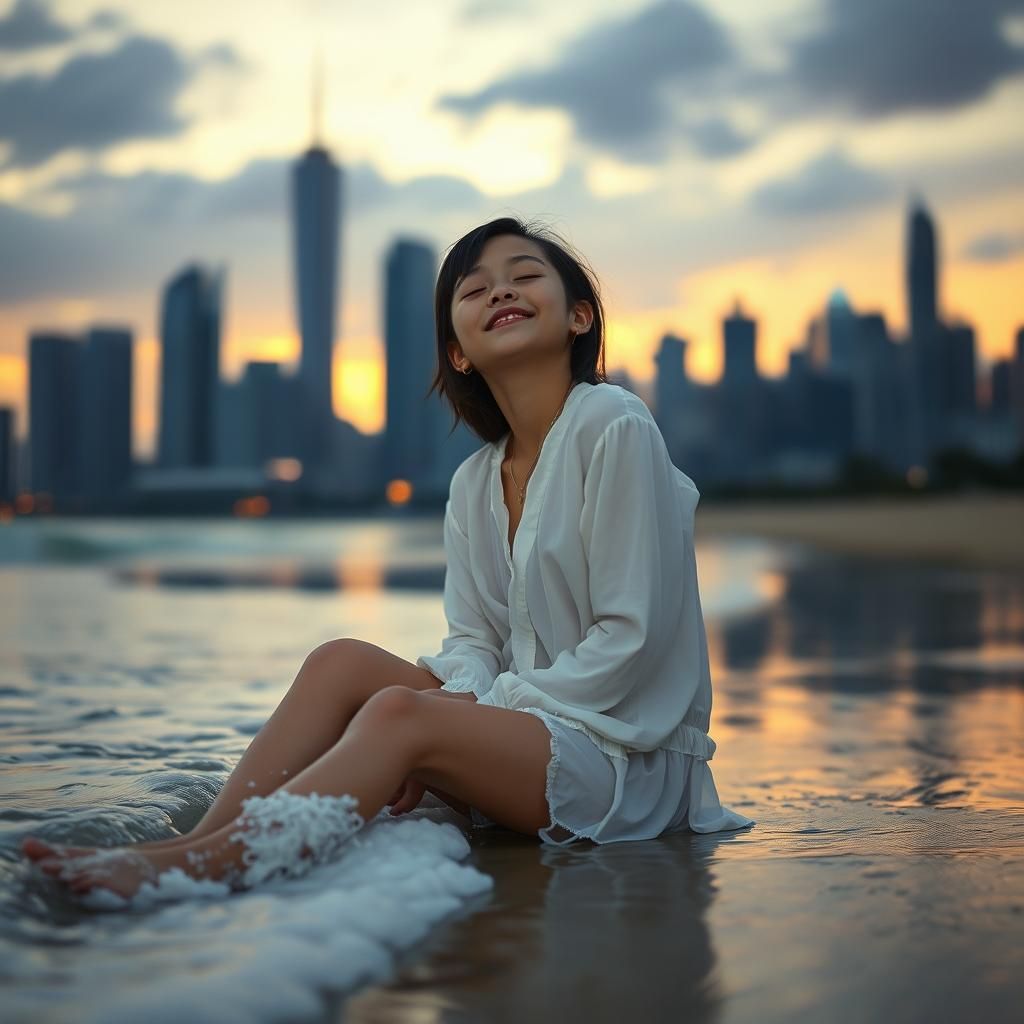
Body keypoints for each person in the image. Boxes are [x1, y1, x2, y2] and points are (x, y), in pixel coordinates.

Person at [23, 216, 753, 899]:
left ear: (579, 316)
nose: (500, 288)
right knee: (340, 662)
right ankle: (198, 842)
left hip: (629, 762)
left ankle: (203, 869)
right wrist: (465, 719)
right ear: (458, 350)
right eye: (474, 288)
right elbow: (474, 644)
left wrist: (452, 725)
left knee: (401, 716)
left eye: (525, 275)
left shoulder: (614, 423)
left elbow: (631, 643)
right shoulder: (473, 484)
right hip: (536, 738)